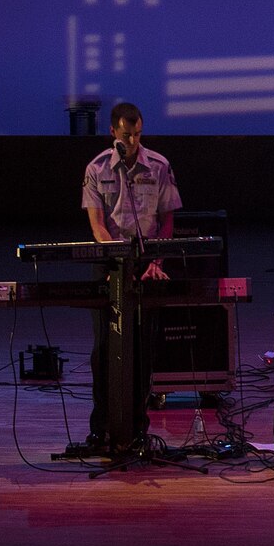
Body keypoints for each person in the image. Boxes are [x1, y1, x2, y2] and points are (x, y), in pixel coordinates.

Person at [78, 102, 183, 444]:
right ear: (113, 132)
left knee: (142, 348)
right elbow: (96, 224)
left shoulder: (159, 165)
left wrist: (157, 261)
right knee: (104, 349)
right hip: (110, 261)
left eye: (138, 134)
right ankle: (102, 426)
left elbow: (167, 218)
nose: (133, 141)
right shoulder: (96, 168)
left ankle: (138, 425)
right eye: (127, 135)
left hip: (146, 259)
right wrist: (115, 263)